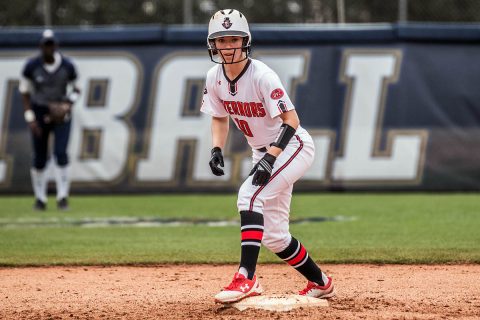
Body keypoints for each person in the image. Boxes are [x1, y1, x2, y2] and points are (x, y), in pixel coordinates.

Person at [201, 9, 335, 303]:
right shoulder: (214, 77)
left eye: (234, 39)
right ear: (213, 45)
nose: (228, 46)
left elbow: (292, 119)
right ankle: (320, 282)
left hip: (292, 146)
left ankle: (246, 277)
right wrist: (216, 149)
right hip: (263, 151)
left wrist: (271, 157)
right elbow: (219, 117)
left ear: (246, 41)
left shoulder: (262, 75)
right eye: (221, 40)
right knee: (275, 235)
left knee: (249, 196)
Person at [19, 29, 80, 211]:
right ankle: (40, 198)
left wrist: (67, 104)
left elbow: (77, 89)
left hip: (62, 113)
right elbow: (25, 93)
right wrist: (30, 118)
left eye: (51, 44)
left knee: (61, 153)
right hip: (40, 111)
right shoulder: (32, 66)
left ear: (56, 46)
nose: (49, 48)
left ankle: (62, 197)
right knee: (39, 157)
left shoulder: (68, 66)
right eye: (46, 45)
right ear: (41, 46)